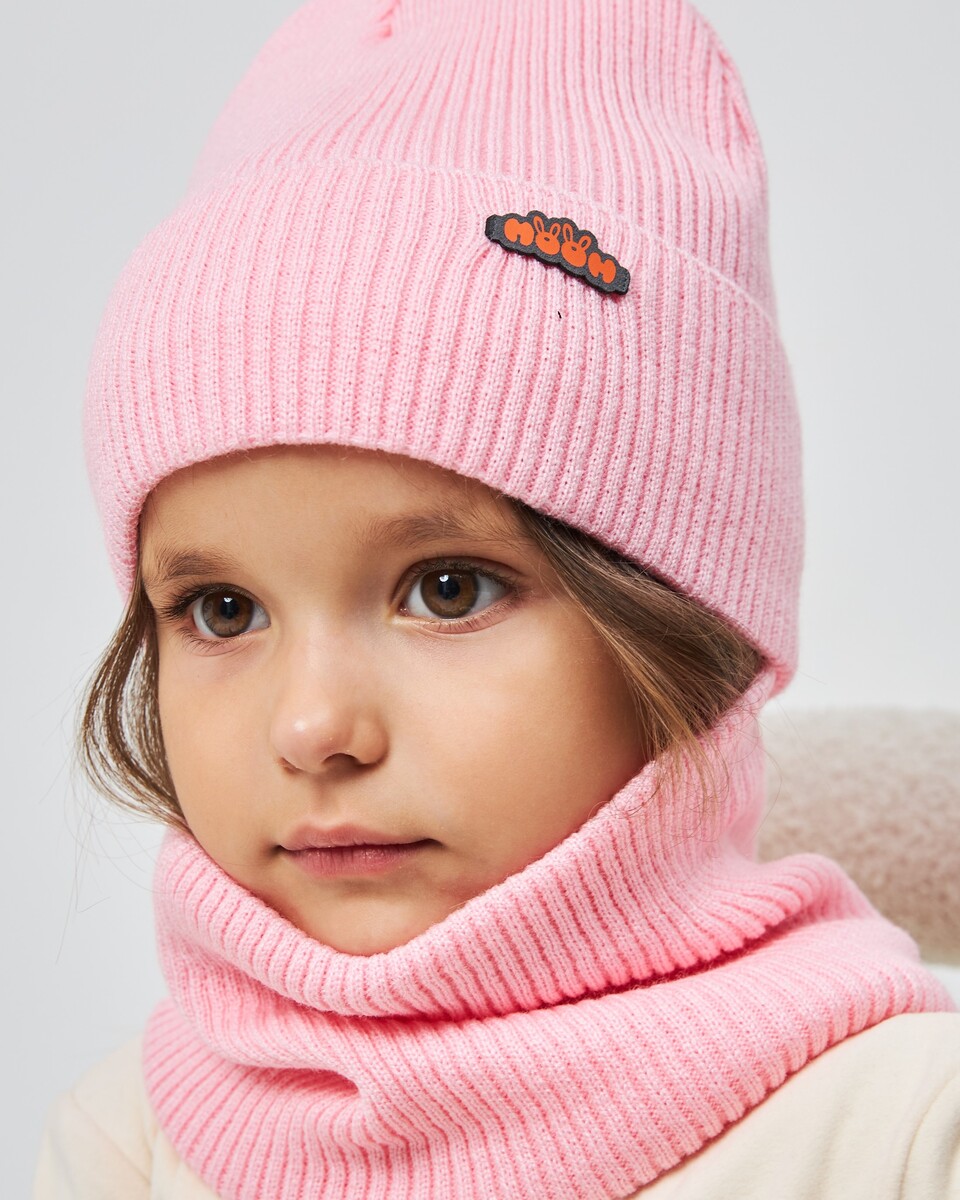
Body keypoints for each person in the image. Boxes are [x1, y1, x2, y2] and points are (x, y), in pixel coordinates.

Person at [33, 0, 960, 1196]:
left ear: (689, 614)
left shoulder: (899, 1130)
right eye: (222, 611)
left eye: (446, 589)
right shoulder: (132, 1144)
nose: (312, 727)